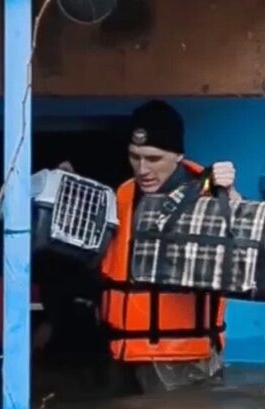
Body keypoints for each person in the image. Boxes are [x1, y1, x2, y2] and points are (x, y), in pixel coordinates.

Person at [99, 99, 242, 393]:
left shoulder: (207, 193)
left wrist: (229, 193)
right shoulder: (124, 193)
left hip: (182, 359)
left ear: (177, 156)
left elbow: (241, 247)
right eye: (134, 157)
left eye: (153, 159)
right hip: (125, 352)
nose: (142, 169)